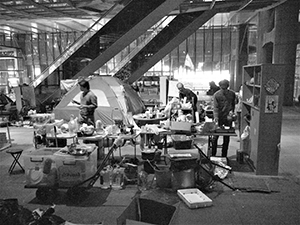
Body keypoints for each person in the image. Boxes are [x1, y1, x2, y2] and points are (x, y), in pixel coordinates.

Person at [211, 79, 236, 157]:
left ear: (228, 87)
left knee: (226, 137)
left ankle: (224, 155)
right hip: (219, 117)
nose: (224, 90)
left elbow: (233, 104)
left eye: (225, 88)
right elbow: (215, 108)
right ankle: (213, 155)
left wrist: (232, 113)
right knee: (215, 137)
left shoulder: (232, 94)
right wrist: (216, 118)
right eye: (222, 88)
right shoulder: (216, 95)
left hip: (228, 117)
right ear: (220, 87)